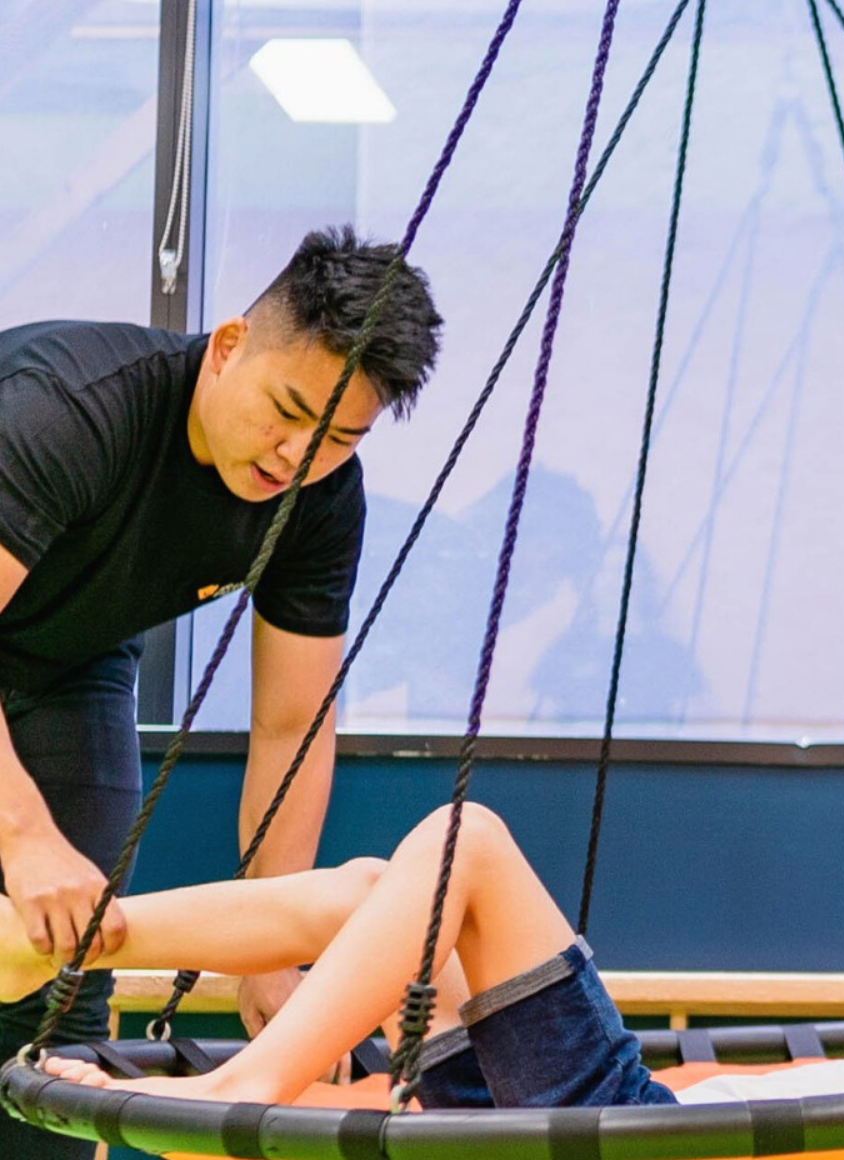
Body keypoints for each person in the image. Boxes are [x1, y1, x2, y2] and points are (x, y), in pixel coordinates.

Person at [0, 225, 442, 1158]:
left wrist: (273, 949)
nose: (295, 456)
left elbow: (291, 722)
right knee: (35, 882)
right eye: (286, 410)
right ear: (230, 345)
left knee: (68, 973)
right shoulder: (70, 409)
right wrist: (24, 833)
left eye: (337, 438)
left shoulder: (320, 499)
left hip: (69, 663)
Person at [0, 802, 676, 1112]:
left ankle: (243, 1084)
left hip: (616, 1142)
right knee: (372, 887)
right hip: (492, 1113)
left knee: (465, 839)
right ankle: (59, 942)